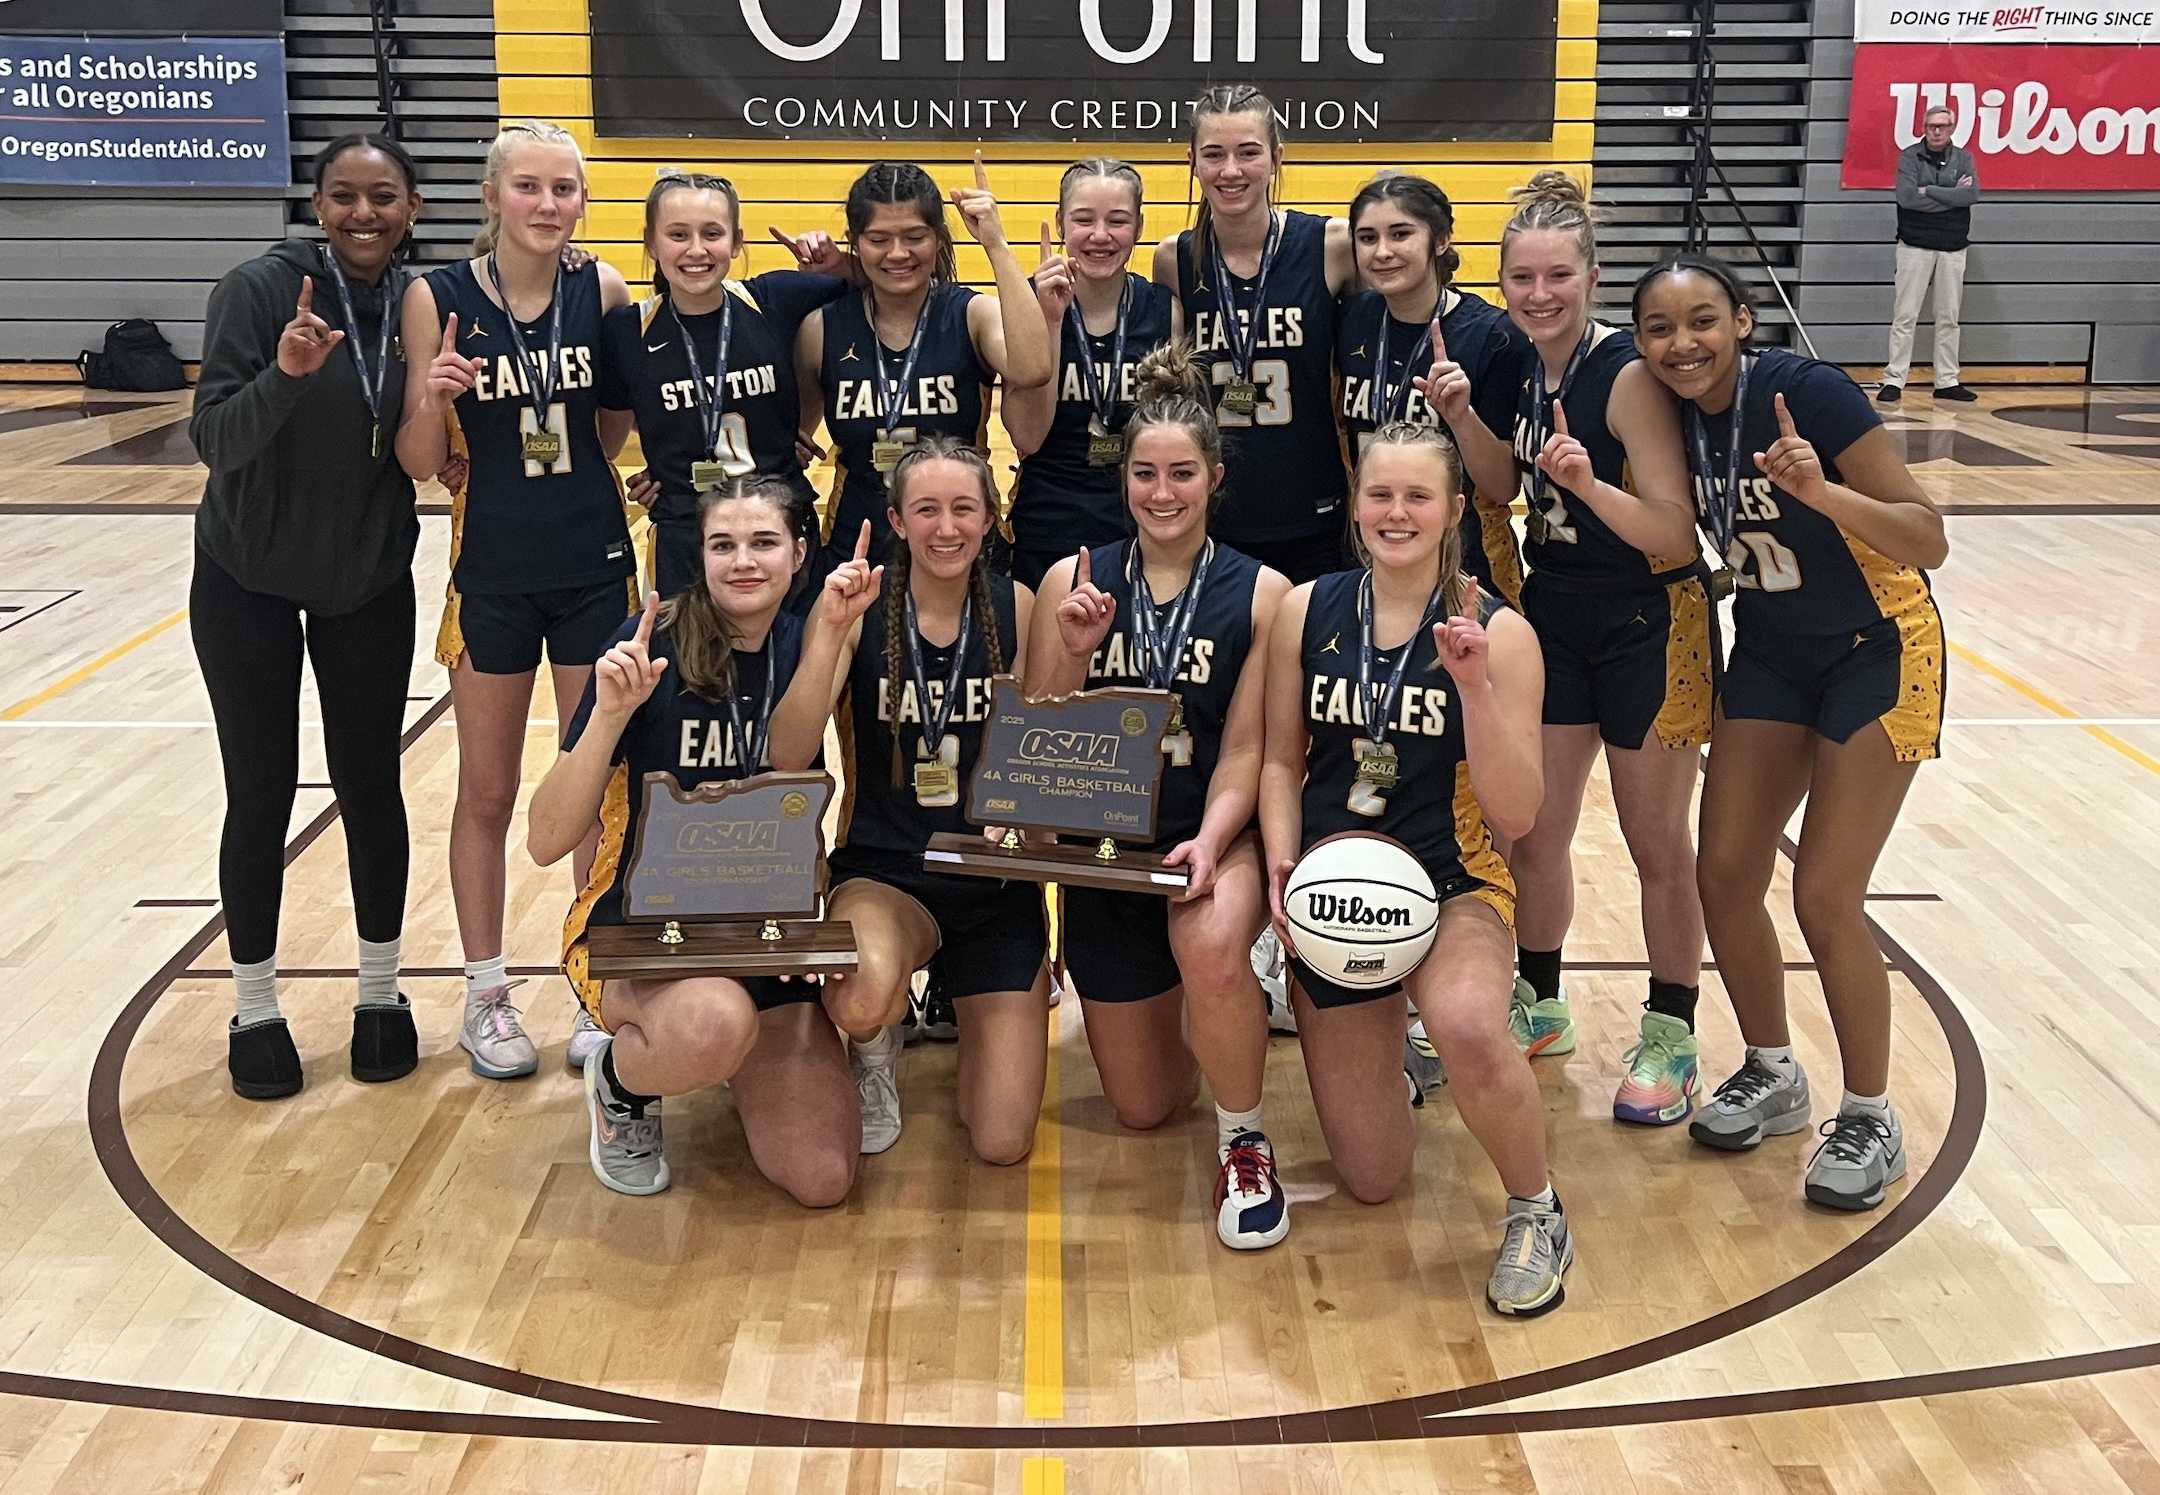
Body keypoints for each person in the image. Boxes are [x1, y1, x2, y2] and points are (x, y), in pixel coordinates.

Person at [1633, 253, 1949, 1210]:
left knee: (1825, 893)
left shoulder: (1808, 393)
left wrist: (1823, 496)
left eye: (1701, 322)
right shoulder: (1661, 412)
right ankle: (1772, 1068)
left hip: (1877, 649)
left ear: (1741, 320)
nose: (1681, 344)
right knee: (1723, 870)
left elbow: (1927, 534)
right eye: (1659, 328)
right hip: (1769, 650)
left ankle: (1870, 1112)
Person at [1259, 423, 1564, 1314]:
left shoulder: (1500, 631)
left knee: (1469, 1022)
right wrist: (1282, 863)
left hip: (1453, 879)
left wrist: (1472, 688)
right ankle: (1396, 1058)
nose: (1398, 513)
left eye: (1418, 497)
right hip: (1332, 888)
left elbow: (1517, 815)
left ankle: (1537, 1209)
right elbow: (1281, 760)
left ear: (1455, 510)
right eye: (1380, 495)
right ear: (1355, 508)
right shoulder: (1305, 609)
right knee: (1371, 1176)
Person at [1451, 171, 1715, 1127]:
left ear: (1591, 276)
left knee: (1655, 845)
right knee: (1534, 831)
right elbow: (1496, 481)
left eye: (1556, 275)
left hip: (1648, 619)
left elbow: (1675, 533)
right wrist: (1463, 418)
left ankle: (1672, 1032)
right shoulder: (1519, 365)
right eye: (1521, 278)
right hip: (1556, 609)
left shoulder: (1630, 378)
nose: (1538, 294)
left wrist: (1588, 485)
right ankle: (1543, 998)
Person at [1026, 342, 1292, 1249]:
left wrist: (1216, 841)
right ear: (1124, 479)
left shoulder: (1265, 593)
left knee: (1210, 936)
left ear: (1215, 477)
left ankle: (1243, 1132)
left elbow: (1251, 748)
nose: (1163, 491)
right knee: (1142, 1106)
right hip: (1109, 856)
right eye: (1146, 473)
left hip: (1210, 836)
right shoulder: (1075, 579)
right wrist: (1070, 647)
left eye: (1183, 472)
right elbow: (1036, 735)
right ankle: (1213, 1007)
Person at [533, 478, 859, 1204]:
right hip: (644, 933)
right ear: (699, 556)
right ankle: (620, 1081)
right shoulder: (648, 641)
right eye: (723, 545)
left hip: (761, 934)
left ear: (799, 552)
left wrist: (831, 635)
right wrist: (610, 717)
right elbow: (546, 836)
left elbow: (790, 761)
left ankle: (726, 1057)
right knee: (716, 1019)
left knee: (823, 1176)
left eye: (764, 542)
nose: (744, 560)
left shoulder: (809, 640)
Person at [189, 133, 429, 1099]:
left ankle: (381, 994)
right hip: (246, 574)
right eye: (343, 196)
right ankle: (254, 1005)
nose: (363, 214)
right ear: (317, 204)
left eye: (382, 197)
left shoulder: (420, 299)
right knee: (261, 789)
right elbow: (213, 438)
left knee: (371, 784)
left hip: (365, 577)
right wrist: (286, 373)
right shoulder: (259, 290)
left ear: (412, 207)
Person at [397, 120, 636, 1082]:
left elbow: (614, 432)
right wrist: (433, 395)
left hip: (590, 562)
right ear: (492, 196)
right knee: (488, 792)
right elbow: (422, 464)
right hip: (490, 568)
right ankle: (487, 992)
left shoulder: (605, 288)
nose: (548, 204)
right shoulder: (437, 297)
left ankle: (589, 982)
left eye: (565, 189)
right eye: (529, 187)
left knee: (589, 788)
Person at [771, 438, 1048, 1161]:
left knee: (1002, 1139)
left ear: (991, 517)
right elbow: (787, 752)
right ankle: (873, 1050)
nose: (946, 527)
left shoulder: (1017, 606)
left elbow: (1046, 762)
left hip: (995, 883)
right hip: (885, 874)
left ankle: (968, 1005)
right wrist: (828, 633)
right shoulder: (861, 608)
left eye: (964, 508)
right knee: (864, 995)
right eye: (926, 509)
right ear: (896, 520)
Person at [598, 170, 855, 602]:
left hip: (779, 526)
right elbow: (614, 425)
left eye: (712, 233)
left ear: (736, 242)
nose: (696, 250)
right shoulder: (627, 330)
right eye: (677, 234)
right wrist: (667, 456)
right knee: (695, 666)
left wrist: (839, 263)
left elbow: (887, 280)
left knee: (793, 661)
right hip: (686, 532)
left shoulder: (775, 300)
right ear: (651, 242)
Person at [796, 157, 1054, 574]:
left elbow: (1033, 368)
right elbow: (794, 436)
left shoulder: (971, 314)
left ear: (938, 239)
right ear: (855, 242)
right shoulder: (821, 329)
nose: (898, 253)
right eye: (879, 239)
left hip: (961, 546)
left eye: (915, 236)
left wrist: (995, 243)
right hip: (858, 550)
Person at [1153, 84, 1358, 585]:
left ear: (1276, 158)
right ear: (1192, 163)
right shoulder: (1173, 259)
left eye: (1248, 153)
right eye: (1214, 155)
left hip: (1315, 508)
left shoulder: (1331, 245)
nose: (1231, 171)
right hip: (1215, 515)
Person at [1336, 171, 1527, 609]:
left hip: (1462, 561)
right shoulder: (1350, 319)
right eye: (1367, 238)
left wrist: (1461, 418)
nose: (1382, 252)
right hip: (1367, 553)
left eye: (1400, 234)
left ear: (1440, 240)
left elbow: (1503, 487)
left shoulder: (1493, 336)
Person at [1003, 157, 1179, 590]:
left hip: (1141, 524)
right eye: (1084, 220)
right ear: (1060, 223)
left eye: (1117, 221)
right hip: (1048, 525)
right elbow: (1027, 437)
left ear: (1139, 227)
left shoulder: (1164, 310)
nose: (1100, 236)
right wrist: (1049, 321)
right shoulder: (1023, 305)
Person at [1880, 106, 1980, 406]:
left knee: (1949, 316)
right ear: (1923, 127)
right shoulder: (1909, 157)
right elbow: (1907, 198)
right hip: (1914, 245)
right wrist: (1950, 194)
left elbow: (1971, 196)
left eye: (1943, 126)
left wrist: (1930, 190)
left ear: (1952, 128)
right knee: (1905, 315)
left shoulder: (1964, 159)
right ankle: (1894, 379)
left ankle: (1947, 381)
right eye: (1931, 126)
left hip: (1953, 246)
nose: (1937, 131)